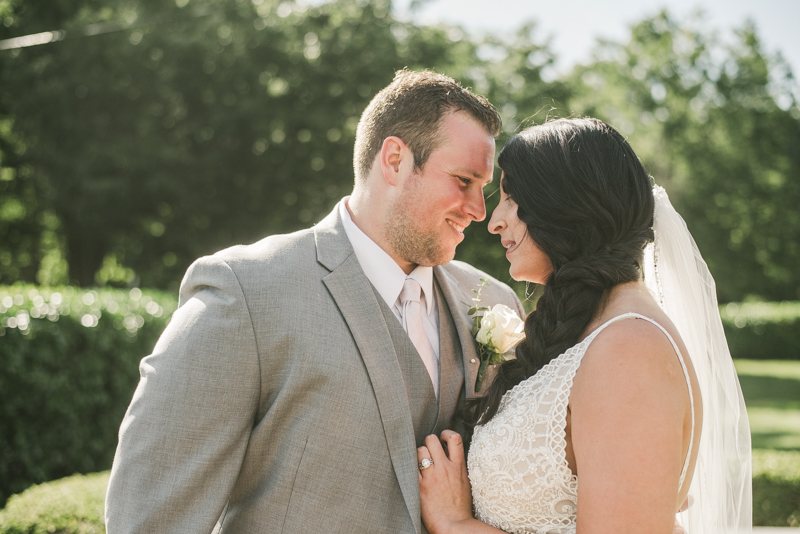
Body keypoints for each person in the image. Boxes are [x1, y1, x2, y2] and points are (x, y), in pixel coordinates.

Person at [104, 69, 525, 533]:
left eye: (483, 189)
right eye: (463, 180)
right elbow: (151, 517)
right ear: (394, 160)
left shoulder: (491, 300)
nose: (479, 210)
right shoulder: (245, 292)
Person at [416, 118, 752, 534]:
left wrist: (454, 525)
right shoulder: (592, 333)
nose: (494, 221)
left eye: (511, 198)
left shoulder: (631, 349)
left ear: (564, 206)